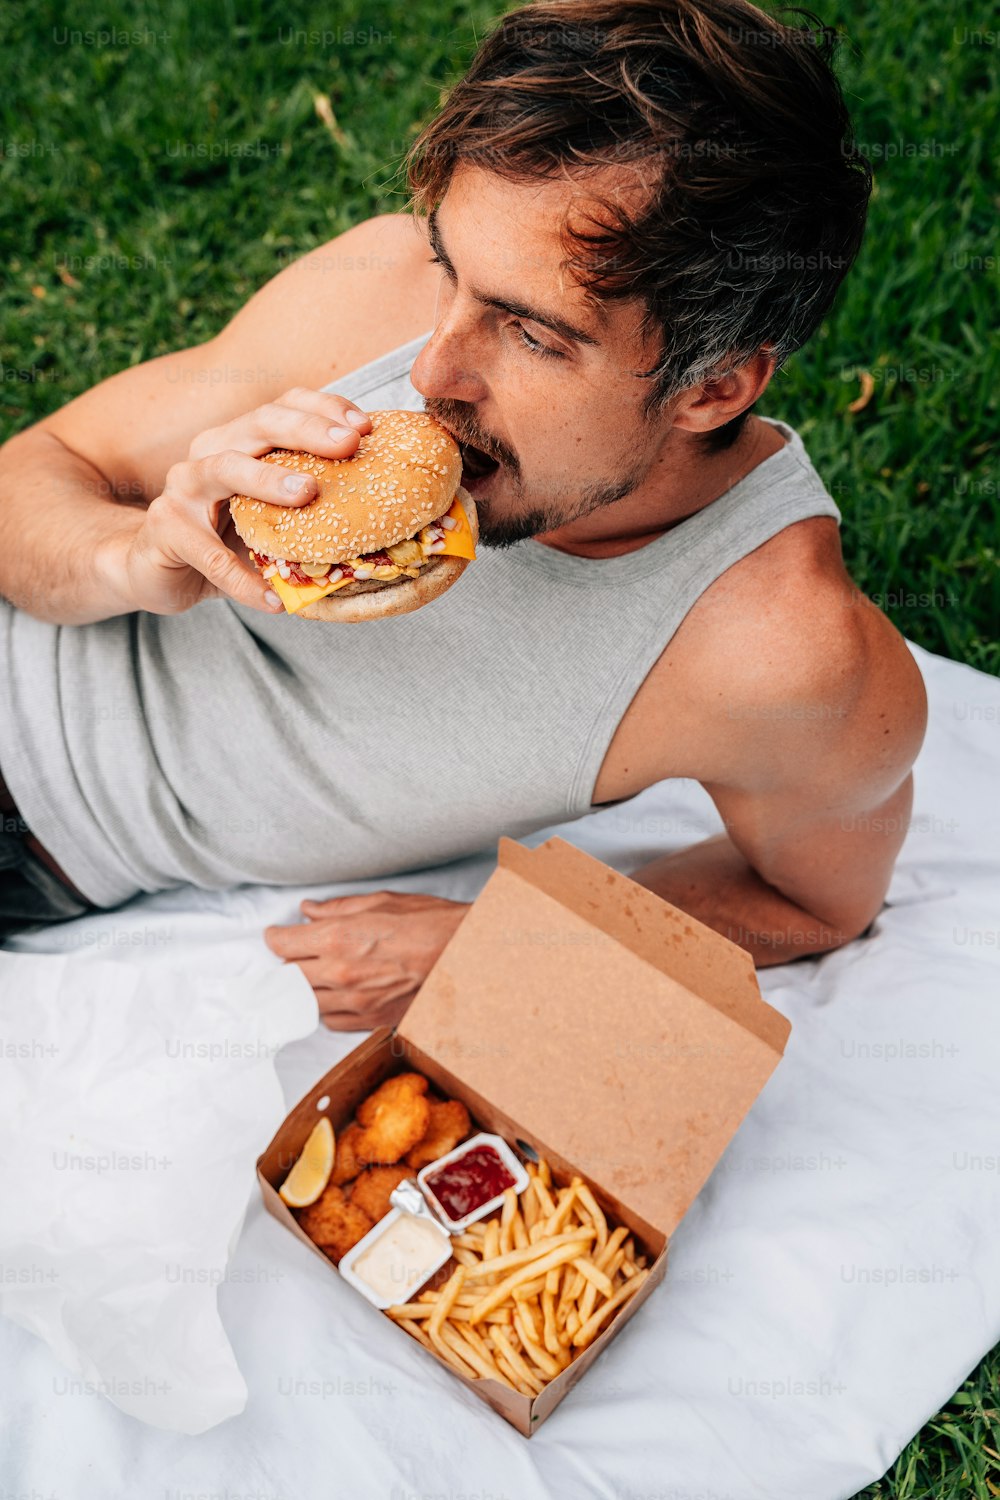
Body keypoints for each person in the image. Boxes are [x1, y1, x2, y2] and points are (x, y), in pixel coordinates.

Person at [0, 0, 926, 1029]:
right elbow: (35, 471)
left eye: (531, 335)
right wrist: (130, 556)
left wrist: (513, 942)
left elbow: (810, 903)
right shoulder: (379, 292)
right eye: (454, 268)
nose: (432, 369)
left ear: (712, 388)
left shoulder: (785, 656)